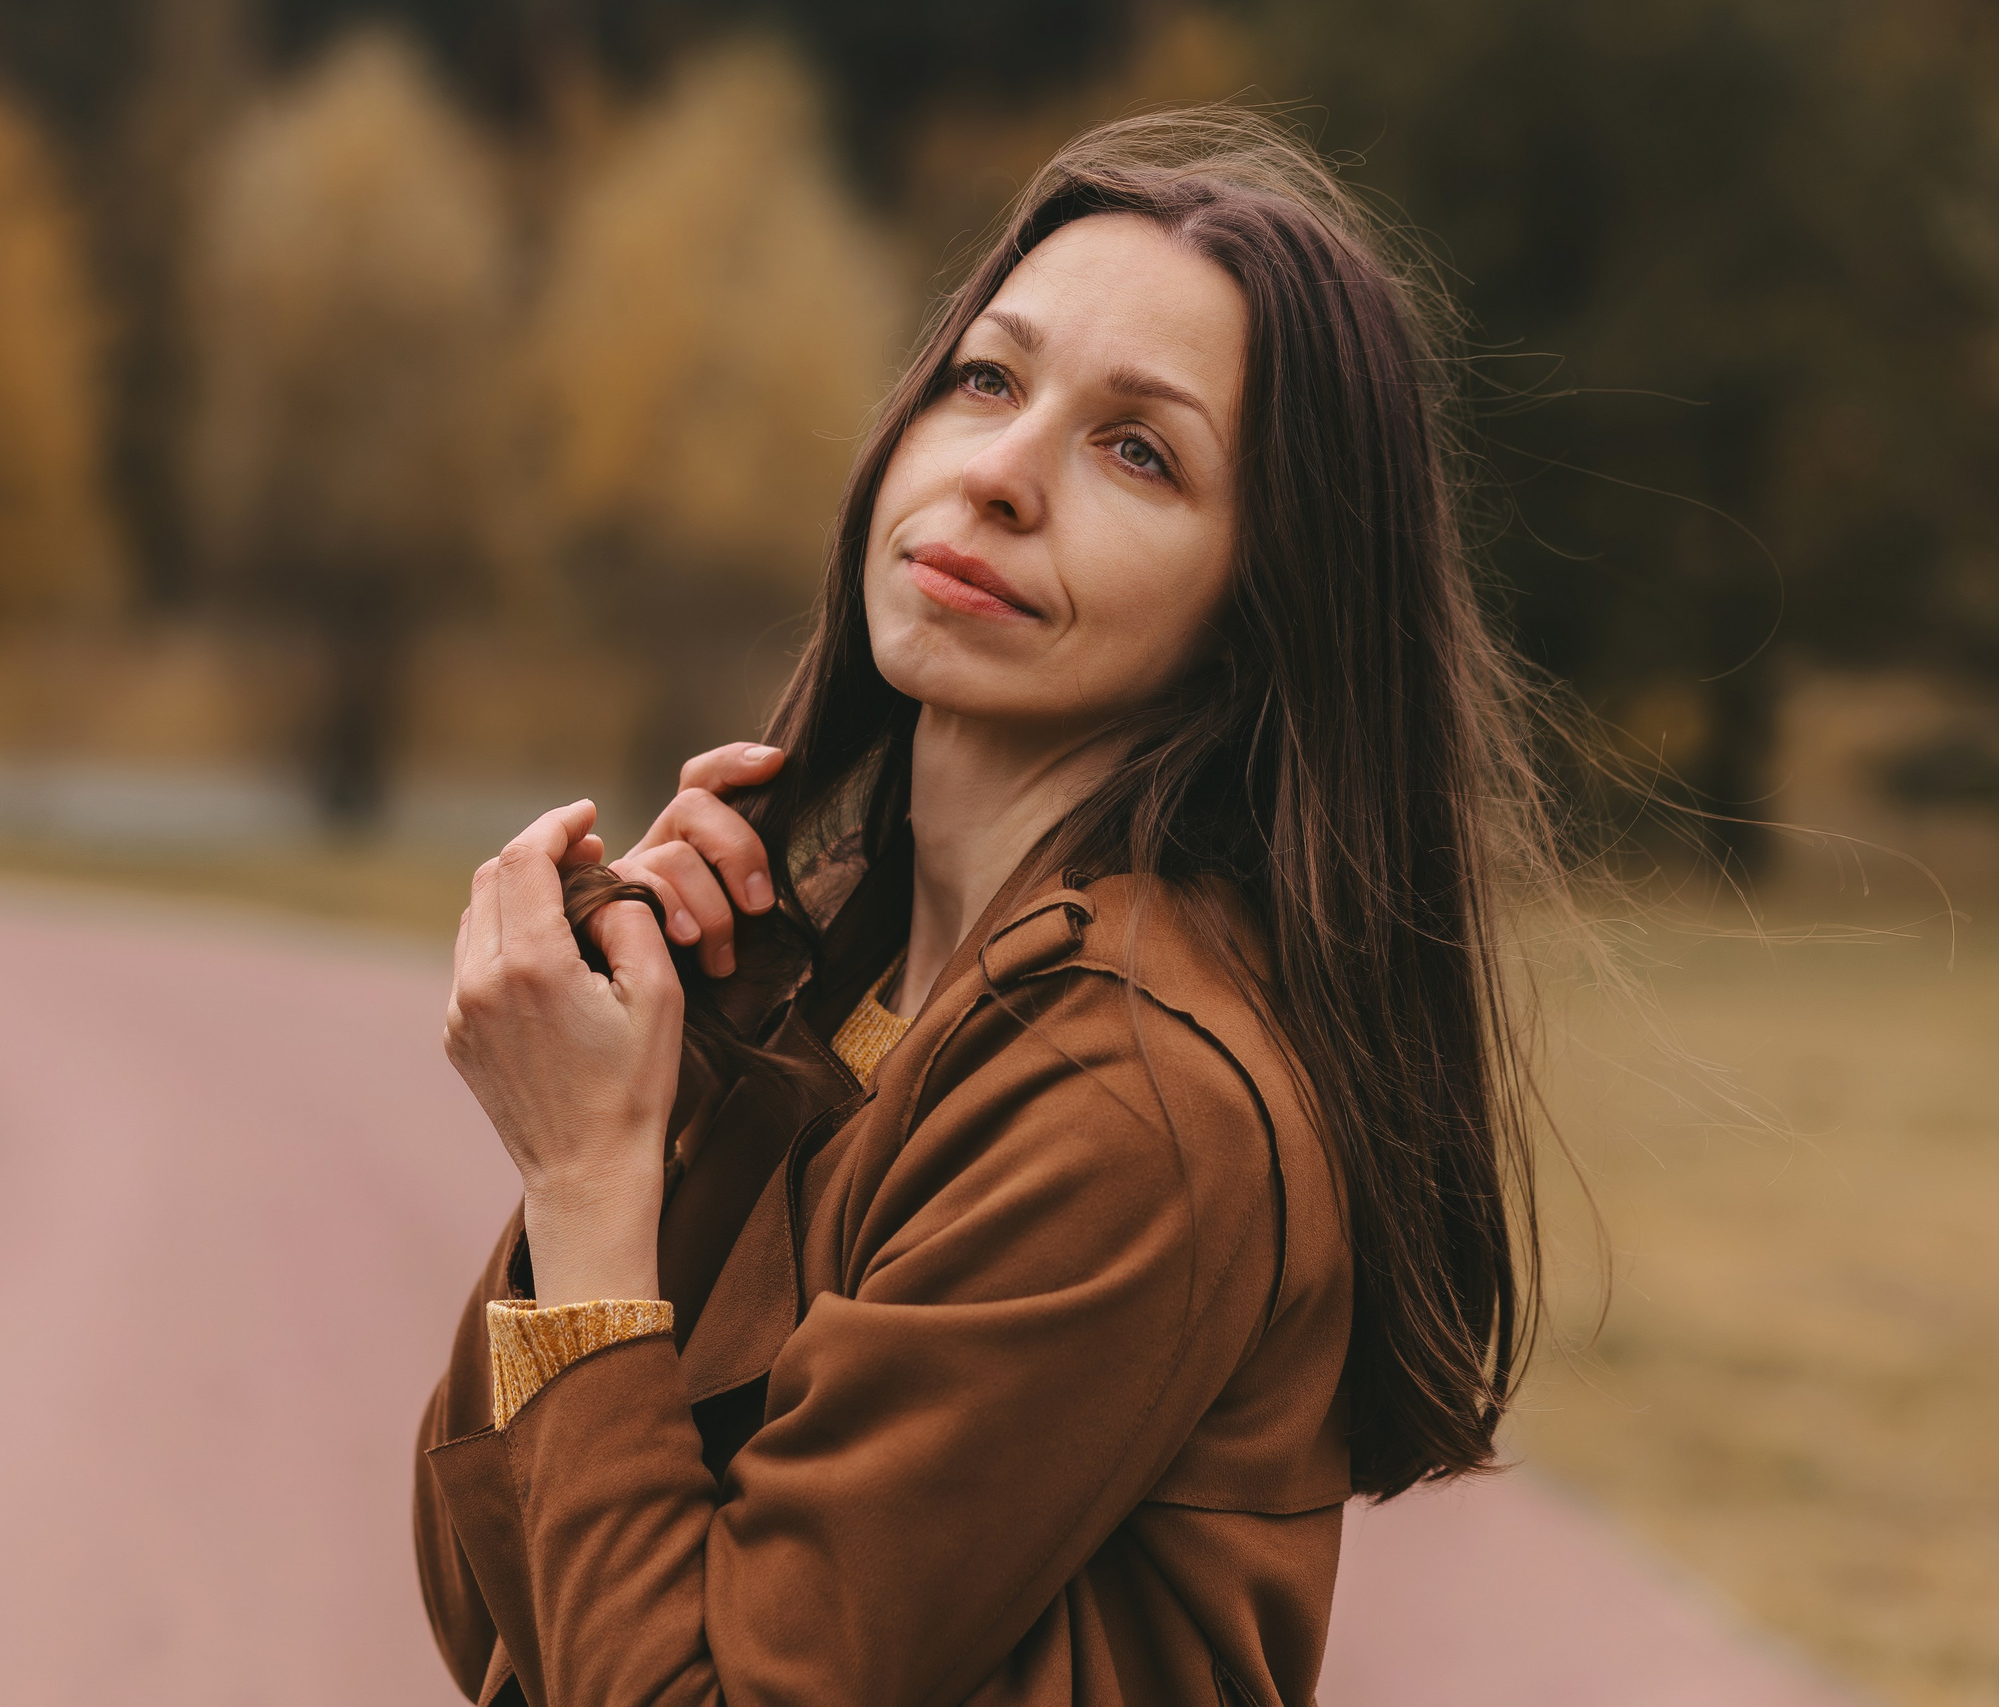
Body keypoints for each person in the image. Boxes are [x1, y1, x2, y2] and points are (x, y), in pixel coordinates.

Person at [415, 107, 1562, 1707]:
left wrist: (588, 1182)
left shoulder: (1131, 1095)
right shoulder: (860, 994)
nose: (1002, 475)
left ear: (1259, 610)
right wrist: (695, 1088)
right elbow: (492, 1601)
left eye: (1139, 450)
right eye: (987, 380)